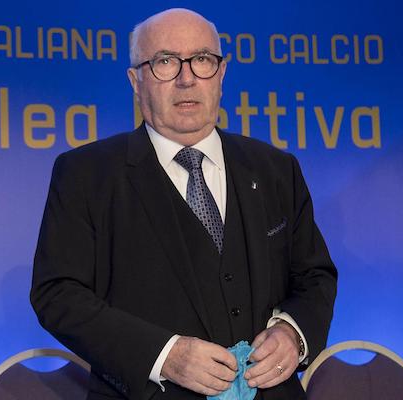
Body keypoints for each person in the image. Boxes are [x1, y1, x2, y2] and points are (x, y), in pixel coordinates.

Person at [30, 8, 337, 400]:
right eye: (165, 62)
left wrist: (293, 333)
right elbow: (57, 294)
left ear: (221, 74)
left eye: (202, 60)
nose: (187, 78)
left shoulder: (276, 169)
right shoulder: (86, 174)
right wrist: (164, 356)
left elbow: (314, 276)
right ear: (136, 81)